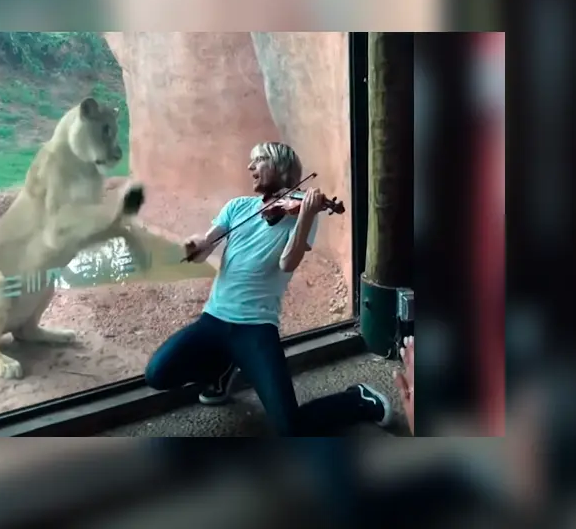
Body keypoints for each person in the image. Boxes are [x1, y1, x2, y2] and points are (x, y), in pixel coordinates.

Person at [144, 142, 394, 436]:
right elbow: (206, 244)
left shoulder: (300, 214)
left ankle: (358, 399)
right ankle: (221, 369)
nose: (250, 167)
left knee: (291, 428)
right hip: (213, 320)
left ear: (281, 167)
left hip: (256, 328)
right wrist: (195, 245)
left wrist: (305, 217)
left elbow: (288, 262)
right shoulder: (237, 207)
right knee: (157, 374)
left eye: (259, 160)